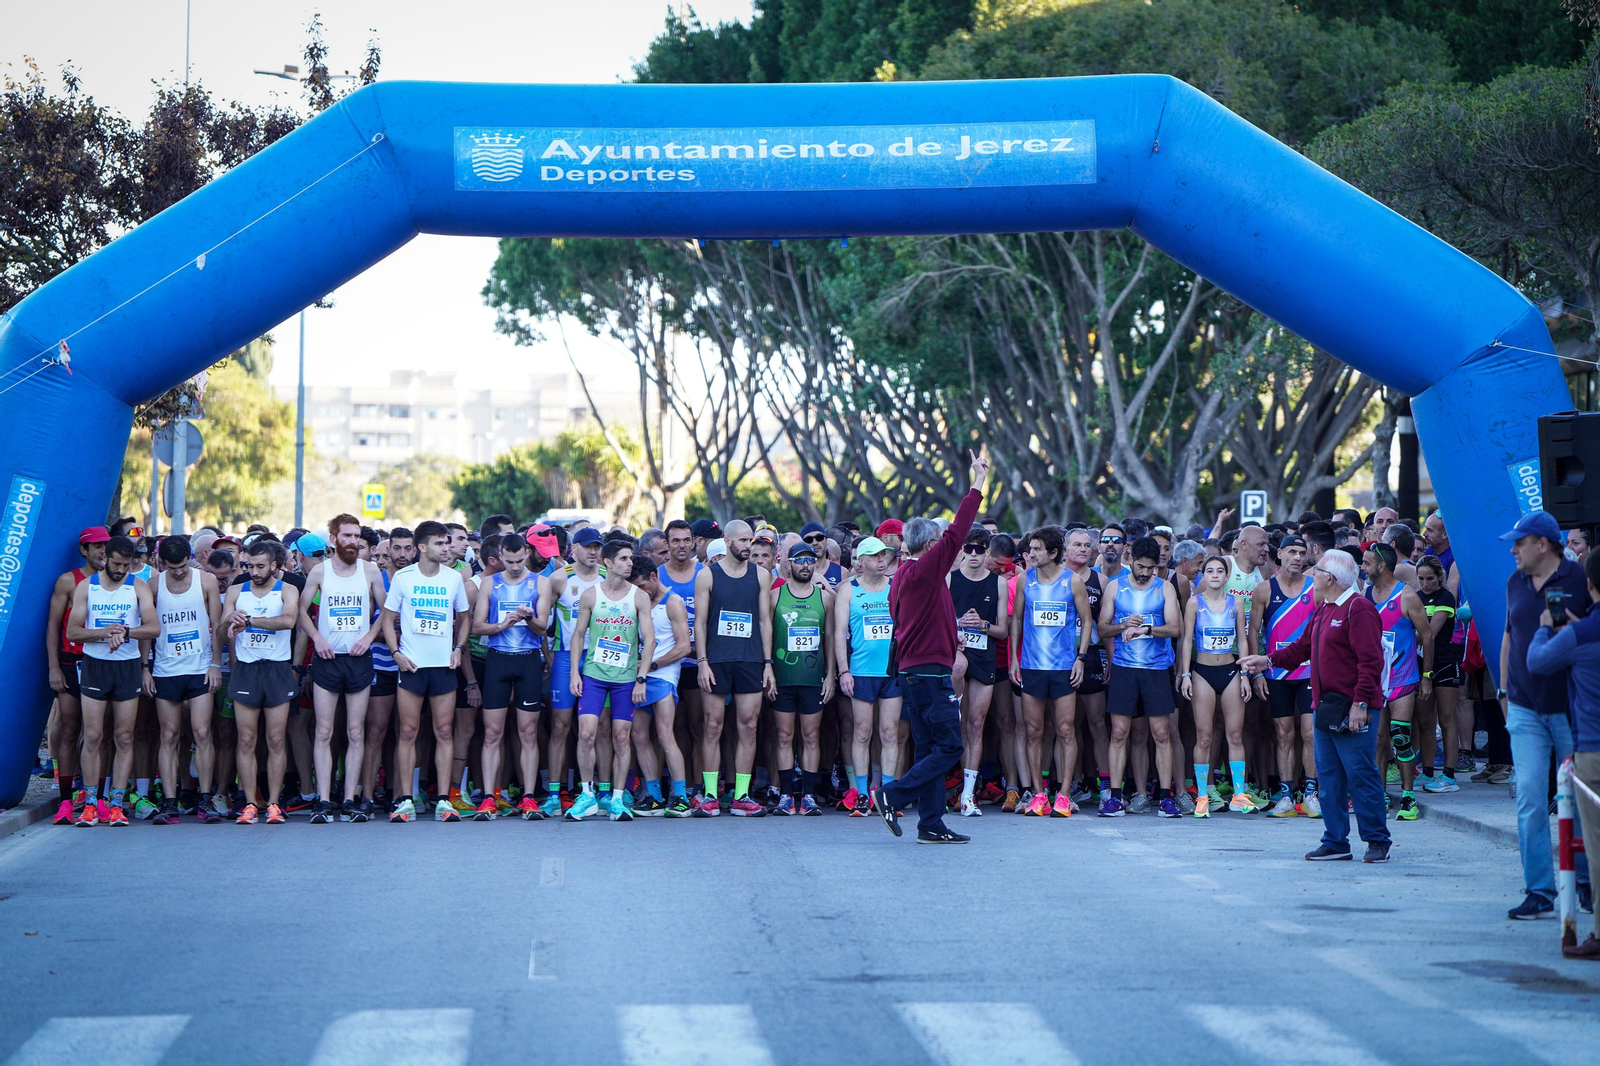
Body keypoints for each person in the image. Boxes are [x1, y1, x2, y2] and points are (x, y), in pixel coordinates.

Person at [1242, 550, 1390, 862]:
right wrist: (1267, 660)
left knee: (1361, 775)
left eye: (1317, 570)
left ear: (1330, 579)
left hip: (1353, 708)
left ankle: (1377, 840)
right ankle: (1335, 842)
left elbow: (1371, 662)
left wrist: (1361, 704)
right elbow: (1301, 649)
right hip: (1326, 707)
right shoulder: (1325, 608)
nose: (1312, 574)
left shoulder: (1359, 608)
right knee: (1329, 778)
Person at [871, 450, 988, 845]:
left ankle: (931, 824)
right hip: (930, 674)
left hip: (913, 673)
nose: (951, 550)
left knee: (929, 749)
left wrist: (949, 635)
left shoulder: (905, 577)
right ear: (931, 545)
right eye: (941, 544)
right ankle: (892, 795)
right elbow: (959, 530)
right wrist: (977, 483)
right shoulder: (925, 570)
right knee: (951, 746)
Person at [1498, 510, 1590, 919]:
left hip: (1572, 708)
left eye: (1519, 543)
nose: (1513, 550)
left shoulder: (1579, 579)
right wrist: (1503, 692)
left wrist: (1571, 626)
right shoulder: (1514, 582)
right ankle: (1539, 890)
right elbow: (1508, 637)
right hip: (1524, 707)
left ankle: (1586, 883)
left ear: (1542, 544)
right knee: (1531, 799)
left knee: (1583, 798)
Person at [1527, 550, 1600, 957]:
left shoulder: (1581, 634)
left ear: (1590, 585)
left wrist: (1545, 628)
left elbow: (1537, 662)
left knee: (1597, 845)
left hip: (1592, 749)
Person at [379, 520, 472, 824]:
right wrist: (396, 654)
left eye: (447, 543)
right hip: (412, 665)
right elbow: (387, 619)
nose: (446, 548)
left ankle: (443, 800)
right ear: (422, 547)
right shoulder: (403, 577)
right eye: (440, 543)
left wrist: (458, 648)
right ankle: (406, 799)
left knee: (444, 731)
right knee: (408, 731)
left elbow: (465, 618)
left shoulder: (453, 578)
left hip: (443, 666)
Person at [297, 514, 388, 823]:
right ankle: (323, 800)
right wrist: (317, 638)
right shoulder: (320, 571)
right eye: (346, 535)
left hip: (358, 658)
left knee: (355, 731)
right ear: (334, 539)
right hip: (328, 659)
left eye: (356, 536)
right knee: (324, 731)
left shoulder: (370, 571)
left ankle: (349, 799)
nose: (352, 541)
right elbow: (301, 610)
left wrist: (369, 637)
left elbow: (386, 611)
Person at [65, 536, 159, 826]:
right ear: (105, 557)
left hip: (127, 667)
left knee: (124, 736)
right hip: (96, 666)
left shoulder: (138, 587)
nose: (120, 570)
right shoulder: (87, 586)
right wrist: (104, 633)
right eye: (116, 563)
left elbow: (153, 627)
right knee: (93, 736)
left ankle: (116, 803)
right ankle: (91, 803)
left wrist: (126, 633)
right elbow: (72, 632)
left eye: (126, 565)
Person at [693, 519, 776, 817]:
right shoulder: (708, 574)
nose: (747, 545)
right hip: (717, 660)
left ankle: (741, 795)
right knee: (712, 726)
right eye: (742, 540)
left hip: (750, 660)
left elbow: (765, 621)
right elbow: (700, 623)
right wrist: (702, 662)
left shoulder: (761, 575)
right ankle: (710, 795)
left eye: (750, 540)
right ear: (727, 541)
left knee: (749, 727)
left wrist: (768, 664)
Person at [568, 539, 655, 822]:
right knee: (586, 733)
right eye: (624, 559)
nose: (630, 563)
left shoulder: (638, 597)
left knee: (621, 737)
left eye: (631, 558)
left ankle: (617, 798)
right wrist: (574, 673)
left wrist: (641, 678)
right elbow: (578, 635)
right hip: (594, 675)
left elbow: (650, 639)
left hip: (625, 678)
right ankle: (587, 795)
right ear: (608, 562)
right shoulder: (591, 595)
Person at [1096, 537, 1183, 817]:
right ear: (1130, 560)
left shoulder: (1165, 588)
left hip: (1157, 669)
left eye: (1151, 568)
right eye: (1141, 566)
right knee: (1119, 732)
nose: (1146, 572)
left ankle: (1166, 798)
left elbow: (1175, 628)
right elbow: (1102, 628)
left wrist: (1146, 629)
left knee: (1161, 733)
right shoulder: (1115, 587)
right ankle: (1115, 797)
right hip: (1124, 668)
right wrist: (1123, 625)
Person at [1008, 526, 1091, 817]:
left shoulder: (1073, 581)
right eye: (1030, 549)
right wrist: (1014, 658)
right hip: (1031, 666)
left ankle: (1064, 795)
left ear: (1053, 552)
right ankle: (1039, 794)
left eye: (1037, 549)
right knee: (1033, 731)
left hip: (1063, 667)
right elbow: (1017, 619)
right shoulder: (1024, 579)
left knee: (1066, 729)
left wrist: (1081, 658)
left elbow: (1087, 620)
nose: (1030, 554)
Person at [217, 540, 302, 825]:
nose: (254, 572)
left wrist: (250, 621)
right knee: (246, 739)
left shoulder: (287, 590)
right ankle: (250, 803)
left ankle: (274, 803)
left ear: (275, 565)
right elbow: (221, 634)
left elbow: (289, 621)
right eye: (249, 566)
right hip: (247, 669)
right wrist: (229, 621)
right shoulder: (235, 591)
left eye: (260, 566)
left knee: (276, 739)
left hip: (277, 669)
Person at [472, 532, 555, 819]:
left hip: (528, 661)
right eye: (509, 562)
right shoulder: (489, 583)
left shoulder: (540, 583)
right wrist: (503, 624)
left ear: (527, 554)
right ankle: (488, 797)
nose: (516, 567)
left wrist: (528, 616)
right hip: (498, 660)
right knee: (492, 733)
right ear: (500, 557)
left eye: (520, 560)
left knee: (528, 732)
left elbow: (543, 628)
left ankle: (529, 797)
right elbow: (477, 627)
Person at [146, 536, 224, 824]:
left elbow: (217, 625)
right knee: (169, 735)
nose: (179, 572)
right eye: (173, 567)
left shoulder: (206, 581)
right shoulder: (153, 586)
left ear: (191, 558)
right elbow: (147, 629)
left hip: (199, 667)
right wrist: (145, 668)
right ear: (162, 563)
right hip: (166, 669)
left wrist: (215, 664)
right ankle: (170, 802)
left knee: (202, 733)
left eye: (183, 566)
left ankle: (205, 799)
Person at [1249, 533, 1318, 817]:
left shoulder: (1316, 587)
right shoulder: (1264, 589)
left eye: (1302, 553)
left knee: (1310, 733)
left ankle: (1311, 794)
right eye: (1292, 552)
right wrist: (1257, 674)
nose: (1297, 558)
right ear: (1280, 554)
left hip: (1309, 672)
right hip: (1276, 673)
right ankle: (1287, 795)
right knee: (1283, 733)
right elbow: (1254, 631)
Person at [1364, 541, 1433, 822]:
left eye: (1367, 563)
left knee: (1401, 738)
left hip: (1402, 677)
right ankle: (1378, 794)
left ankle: (1408, 797)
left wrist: (1427, 676)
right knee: (1378, 740)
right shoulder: (1365, 594)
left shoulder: (1406, 595)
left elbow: (1427, 635)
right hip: (1374, 680)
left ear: (1382, 566)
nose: (1363, 567)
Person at [1181, 555, 1254, 817]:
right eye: (1209, 571)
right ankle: (1202, 796)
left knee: (1235, 735)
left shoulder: (1236, 602)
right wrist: (1185, 674)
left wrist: (1245, 674)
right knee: (1204, 736)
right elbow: (1186, 640)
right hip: (1202, 672)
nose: (1214, 575)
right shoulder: (1194, 603)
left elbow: (1243, 639)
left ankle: (1239, 795)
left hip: (1230, 670)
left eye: (1219, 571)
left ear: (1226, 576)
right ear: (1204, 575)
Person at [45, 526, 109, 823]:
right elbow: (53, 625)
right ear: (84, 550)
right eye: (97, 546)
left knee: (100, 733)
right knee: (71, 729)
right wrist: (54, 667)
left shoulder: (115, 581)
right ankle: (65, 799)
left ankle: (97, 797)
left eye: (106, 546)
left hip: (104, 664)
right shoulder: (69, 581)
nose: (103, 552)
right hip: (72, 662)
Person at [834, 536, 900, 816]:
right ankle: (861, 794)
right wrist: (843, 671)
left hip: (891, 671)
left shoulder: (895, 587)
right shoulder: (848, 591)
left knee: (889, 733)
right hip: (861, 671)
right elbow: (839, 634)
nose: (881, 560)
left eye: (883, 555)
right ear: (861, 560)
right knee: (862, 733)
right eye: (874, 556)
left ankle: (887, 795)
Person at [770, 539, 835, 815]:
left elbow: (831, 638)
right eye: (800, 560)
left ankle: (808, 796)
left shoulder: (824, 598)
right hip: (783, 677)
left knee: (811, 735)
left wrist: (831, 675)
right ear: (789, 564)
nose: (806, 565)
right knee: (784, 736)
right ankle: (786, 796)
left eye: (810, 560)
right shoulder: (775, 596)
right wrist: (767, 668)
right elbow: (766, 634)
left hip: (812, 678)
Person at [541, 527, 602, 816]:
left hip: (599, 658)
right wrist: (548, 657)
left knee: (600, 728)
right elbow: (541, 623)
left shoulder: (608, 577)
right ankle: (555, 792)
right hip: (566, 657)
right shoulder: (559, 578)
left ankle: (603, 790)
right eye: (587, 546)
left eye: (597, 547)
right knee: (560, 726)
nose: (593, 552)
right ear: (573, 549)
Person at [629, 561, 694, 816]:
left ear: (654, 576)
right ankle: (654, 796)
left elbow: (684, 646)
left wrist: (653, 665)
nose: (640, 591)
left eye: (642, 585)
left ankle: (681, 796)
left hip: (663, 673)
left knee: (665, 735)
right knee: (639, 735)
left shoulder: (673, 602)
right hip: (639, 674)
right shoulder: (637, 600)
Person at [950, 528, 1005, 816]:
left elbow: (1002, 630)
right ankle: (961, 789)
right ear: (962, 549)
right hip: (956, 654)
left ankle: (969, 794)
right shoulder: (949, 579)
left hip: (984, 656)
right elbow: (938, 620)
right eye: (969, 548)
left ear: (988, 553)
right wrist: (959, 623)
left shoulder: (998, 583)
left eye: (979, 549)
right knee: (958, 724)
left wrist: (981, 624)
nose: (973, 554)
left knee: (976, 724)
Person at [1414, 556, 1463, 792]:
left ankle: (1449, 775)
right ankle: (1427, 772)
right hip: (1420, 663)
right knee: (1425, 722)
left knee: (1445, 720)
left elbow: (1429, 634)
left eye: (1430, 579)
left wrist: (1406, 636)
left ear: (1439, 577)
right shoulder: (1415, 597)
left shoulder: (1446, 597)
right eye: (1421, 579)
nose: (1425, 584)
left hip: (1444, 662)